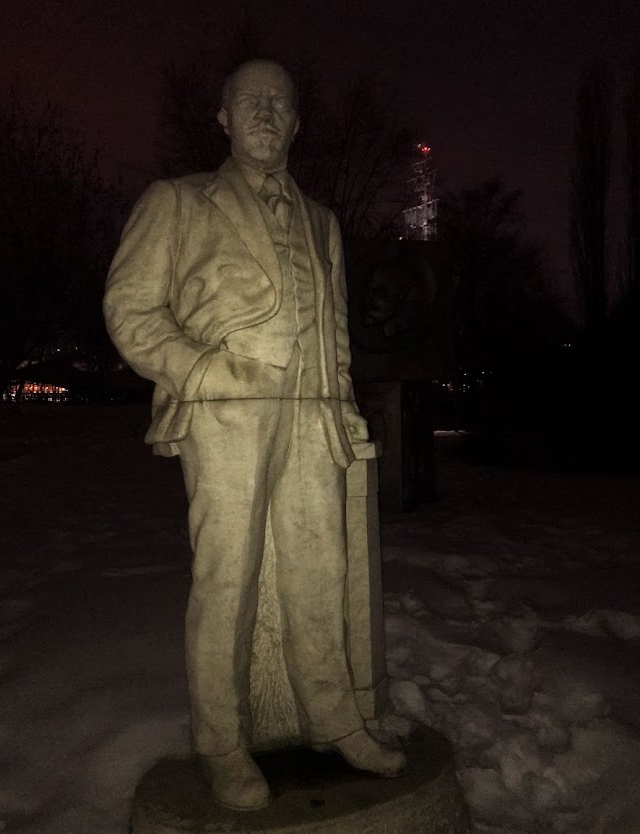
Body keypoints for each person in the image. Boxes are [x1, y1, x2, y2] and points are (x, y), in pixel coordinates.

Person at [103, 59, 405, 811]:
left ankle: (337, 721)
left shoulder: (324, 224)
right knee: (226, 579)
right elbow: (130, 310)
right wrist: (202, 373)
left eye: (279, 103)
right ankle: (221, 743)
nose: (265, 113)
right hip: (225, 415)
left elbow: (333, 334)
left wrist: (339, 408)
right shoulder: (178, 202)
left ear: (298, 122)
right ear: (224, 119)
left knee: (319, 570)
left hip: (310, 416)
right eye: (250, 102)